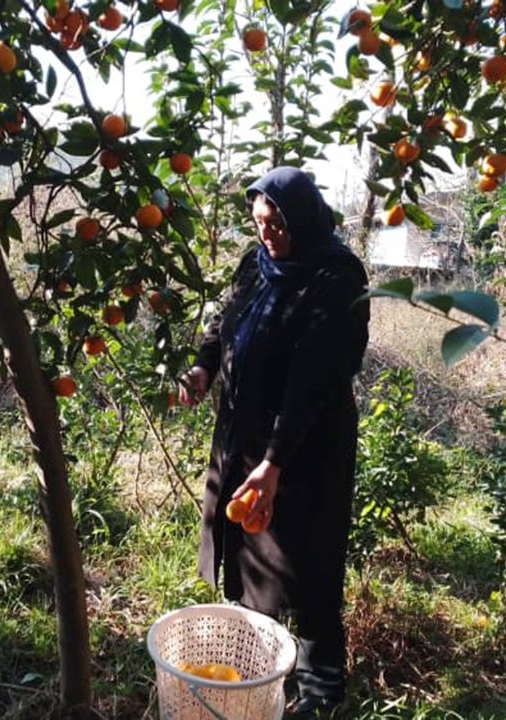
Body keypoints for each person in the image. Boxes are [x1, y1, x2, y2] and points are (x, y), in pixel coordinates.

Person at [179, 166, 369, 718]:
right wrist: (201, 369)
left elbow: (317, 377)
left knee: (307, 567)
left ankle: (320, 694)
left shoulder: (335, 277)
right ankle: (263, 681)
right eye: (259, 223)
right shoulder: (255, 266)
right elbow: (223, 325)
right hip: (244, 441)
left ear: (304, 218)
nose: (267, 235)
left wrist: (275, 461)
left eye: (277, 225)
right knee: (248, 557)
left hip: (305, 449)